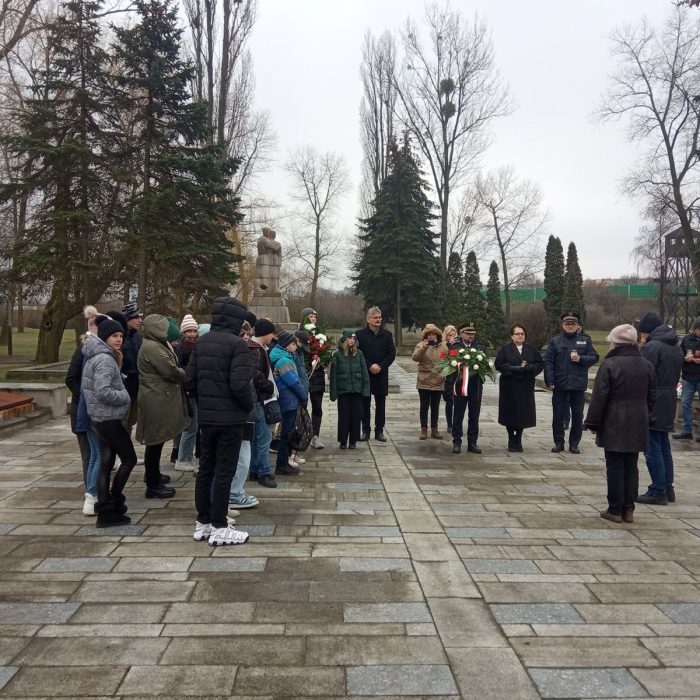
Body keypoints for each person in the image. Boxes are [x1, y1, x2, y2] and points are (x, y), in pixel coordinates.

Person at [185, 296, 253, 546]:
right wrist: (248, 406)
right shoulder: (237, 345)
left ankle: (203, 522)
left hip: (208, 417)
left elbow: (189, 381)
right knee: (224, 471)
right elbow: (240, 384)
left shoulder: (201, 343)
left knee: (206, 470)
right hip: (231, 419)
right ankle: (219, 526)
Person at [584, 324, 656, 523]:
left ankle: (615, 508)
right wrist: (646, 415)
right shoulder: (647, 365)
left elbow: (599, 397)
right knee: (631, 465)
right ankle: (629, 509)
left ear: (615, 342)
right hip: (638, 420)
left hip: (614, 420)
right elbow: (652, 396)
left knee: (615, 466)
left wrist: (592, 422)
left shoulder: (611, 364)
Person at [81, 315, 135, 528]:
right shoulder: (104, 358)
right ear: (105, 337)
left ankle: (105, 509)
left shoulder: (98, 355)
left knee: (106, 462)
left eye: (121, 335)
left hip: (99, 418)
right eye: (114, 335)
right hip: (108, 419)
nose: (119, 339)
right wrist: (125, 396)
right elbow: (103, 390)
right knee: (128, 459)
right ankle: (113, 500)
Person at [136, 315, 187, 499]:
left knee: (157, 440)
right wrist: (184, 373)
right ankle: (152, 484)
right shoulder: (152, 347)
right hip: (155, 399)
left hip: (158, 397)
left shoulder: (156, 344)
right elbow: (170, 370)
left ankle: (154, 475)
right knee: (154, 442)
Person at [636, 312, 683, 505]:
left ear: (646, 331)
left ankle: (658, 489)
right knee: (663, 444)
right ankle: (667, 486)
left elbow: (643, 373)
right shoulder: (674, 346)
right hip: (668, 398)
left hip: (654, 399)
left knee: (652, 446)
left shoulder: (652, 346)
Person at [543, 311, 599, 454]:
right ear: (562, 325)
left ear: (577, 325)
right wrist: (549, 380)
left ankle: (574, 444)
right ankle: (559, 443)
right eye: (567, 324)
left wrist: (581, 359)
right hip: (560, 384)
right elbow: (548, 361)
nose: (570, 326)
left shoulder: (585, 340)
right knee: (558, 415)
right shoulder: (556, 340)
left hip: (577, 384)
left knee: (577, 415)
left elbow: (594, 356)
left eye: (573, 324)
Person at [65, 305, 99, 502]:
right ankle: (91, 493)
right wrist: (87, 395)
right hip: (82, 411)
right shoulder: (83, 350)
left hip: (91, 410)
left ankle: (95, 491)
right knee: (89, 454)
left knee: (95, 454)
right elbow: (71, 378)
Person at [494, 324, 544, 452]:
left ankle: (519, 438)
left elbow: (539, 364)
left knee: (523, 413)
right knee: (510, 412)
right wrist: (511, 368)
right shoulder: (505, 349)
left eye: (522, 333)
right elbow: (498, 364)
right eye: (517, 334)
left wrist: (530, 368)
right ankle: (511, 438)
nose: (520, 336)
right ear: (512, 336)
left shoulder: (531, 349)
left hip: (525, 385)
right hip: (509, 385)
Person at [228, 318, 261, 510]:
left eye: (249, 335)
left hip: (238, 411)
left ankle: (235, 491)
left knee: (241, 454)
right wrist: (249, 406)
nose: (248, 339)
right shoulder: (238, 355)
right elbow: (242, 386)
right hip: (239, 413)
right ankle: (235, 493)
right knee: (242, 456)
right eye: (245, 335)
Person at [270, 330, 308, 476]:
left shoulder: (283, 357)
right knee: (287, 434)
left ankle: (283, 463)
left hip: (287, 399)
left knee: (287, 433)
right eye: (293, 344)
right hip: (289, 400)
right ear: (286, 345)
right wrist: (303, 396)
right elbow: (293, 382)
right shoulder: (284, 360)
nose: (296, 346)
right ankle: (282, 465)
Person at [356, 307, 396, 442]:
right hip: (366, 375)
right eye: (375, 317)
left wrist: (381, 366)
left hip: (381, 374)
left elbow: (391, 354)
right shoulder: (359, 335)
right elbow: (358, 353)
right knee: (364, 404)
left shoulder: (387, 335)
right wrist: (369, 365)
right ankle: (365, 431)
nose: (378, 319)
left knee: (381, 404)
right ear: (368, 319)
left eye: (379, 317)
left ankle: (379, 431)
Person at [446, 322, 487, 454]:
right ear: (462, 334)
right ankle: (457, 441)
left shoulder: (480, 347)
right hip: (460, 386)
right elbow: (450, 367)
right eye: (468, 333)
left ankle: (472, 443)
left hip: (475, 386)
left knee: (474, 415)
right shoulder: (455, 347)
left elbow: (484, 365)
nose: (471, 336)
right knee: (458, 415)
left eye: (473, 334)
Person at [248, 318, 278, 488]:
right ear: (266, 333)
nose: (273, 337)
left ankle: (254, 469)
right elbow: (256, 376)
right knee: (264, 437)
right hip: (260, 399)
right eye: (272, 333)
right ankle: (264, 472)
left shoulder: (256, 348)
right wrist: (270, 386)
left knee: (255, 437)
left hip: (256, 398)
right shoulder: (256, 350)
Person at [330, 330, 370, 449]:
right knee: (343, 416)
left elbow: (364, 373)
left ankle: (353, 441)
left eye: (354, 338)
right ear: (345, 339)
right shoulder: (337, 354)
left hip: (356, 390)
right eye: (349, 338)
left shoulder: (359, 354)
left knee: (355, 416)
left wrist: (366, 390)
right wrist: (333, 393)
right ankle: (343, 441)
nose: (352, 340)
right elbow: (334, 375)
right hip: (343, 391)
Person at [411, 324, 447, 440]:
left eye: (434, 334)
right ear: (426, 336)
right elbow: (415, 358)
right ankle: (424, 430)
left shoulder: (443, 347)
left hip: (438, 380)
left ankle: (435, 429)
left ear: (438, 335)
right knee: (424, 406)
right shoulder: (421, 345)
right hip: (424, 380)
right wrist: (424, 347)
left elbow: (447, 362)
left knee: (435, 406)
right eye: (429, 335)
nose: (432, 337)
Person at [174, 314, 199, 471]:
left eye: (194, 331)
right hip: (186, 390)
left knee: (191, 425)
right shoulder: (179, 349)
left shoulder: (198, 346)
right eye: (188, 331)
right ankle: (183, 458)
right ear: (183, 332)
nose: (191, 334)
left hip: (195, 389)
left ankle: (185, 455)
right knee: (190, 426)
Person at [301, 307, 326, 449]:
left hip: (318, 376)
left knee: (317, 407)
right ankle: (304, 432)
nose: (313, 318)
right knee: (302, 407)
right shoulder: (299, 336)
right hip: (304, 376)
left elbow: (326, 352)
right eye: (310, 316)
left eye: (315, 316)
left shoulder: (320, 335)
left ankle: (315, 435)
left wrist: (323, 360)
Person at [673, 316, 700, 441]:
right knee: (685, 404)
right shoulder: (686, 339)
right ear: (695, 329)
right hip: (688, 376)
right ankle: (687, 430)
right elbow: (680, 354)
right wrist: (685, 358)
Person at [121, 302, 143, 431]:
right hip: (124, 389)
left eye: (140, 317)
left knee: (130, 422)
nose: (140, 320)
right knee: (122, 424)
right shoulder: (120, 337)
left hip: (136, 388)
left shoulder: (137, 337)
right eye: (136, 317)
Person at [442, 325, 457, 432]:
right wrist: (450, 346)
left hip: (457, 374)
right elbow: (443, 358)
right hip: (448, 376)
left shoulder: (458, 345)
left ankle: (456, 422)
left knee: (457, 401)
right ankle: (449, 424)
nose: (452, 337)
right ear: (446, 336)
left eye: (454, 334)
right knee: (449, 401)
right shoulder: (443, 345)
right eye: (450, 335)